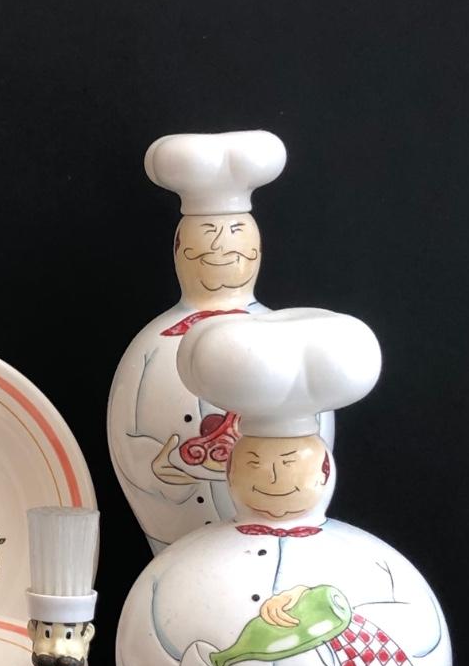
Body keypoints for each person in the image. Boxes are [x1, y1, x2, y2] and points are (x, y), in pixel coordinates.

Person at [115, 309, 451, 666]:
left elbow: (419, 637)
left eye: (288, 463)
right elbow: (150, 645)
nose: (271, 478)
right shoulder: (177, 571)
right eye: (255, 462)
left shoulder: (374, 566)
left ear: (323, 468)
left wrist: (330, 614)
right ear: (231, 469)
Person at [107, 130, 333, 553]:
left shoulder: (292, 344)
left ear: (256, 246)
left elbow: (308, 449)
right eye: (207, 233)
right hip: (169, 545)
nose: (219, 246)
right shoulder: (150, 347)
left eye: (235, 232)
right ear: (180, 247)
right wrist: (163, 468)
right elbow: (128, 438)